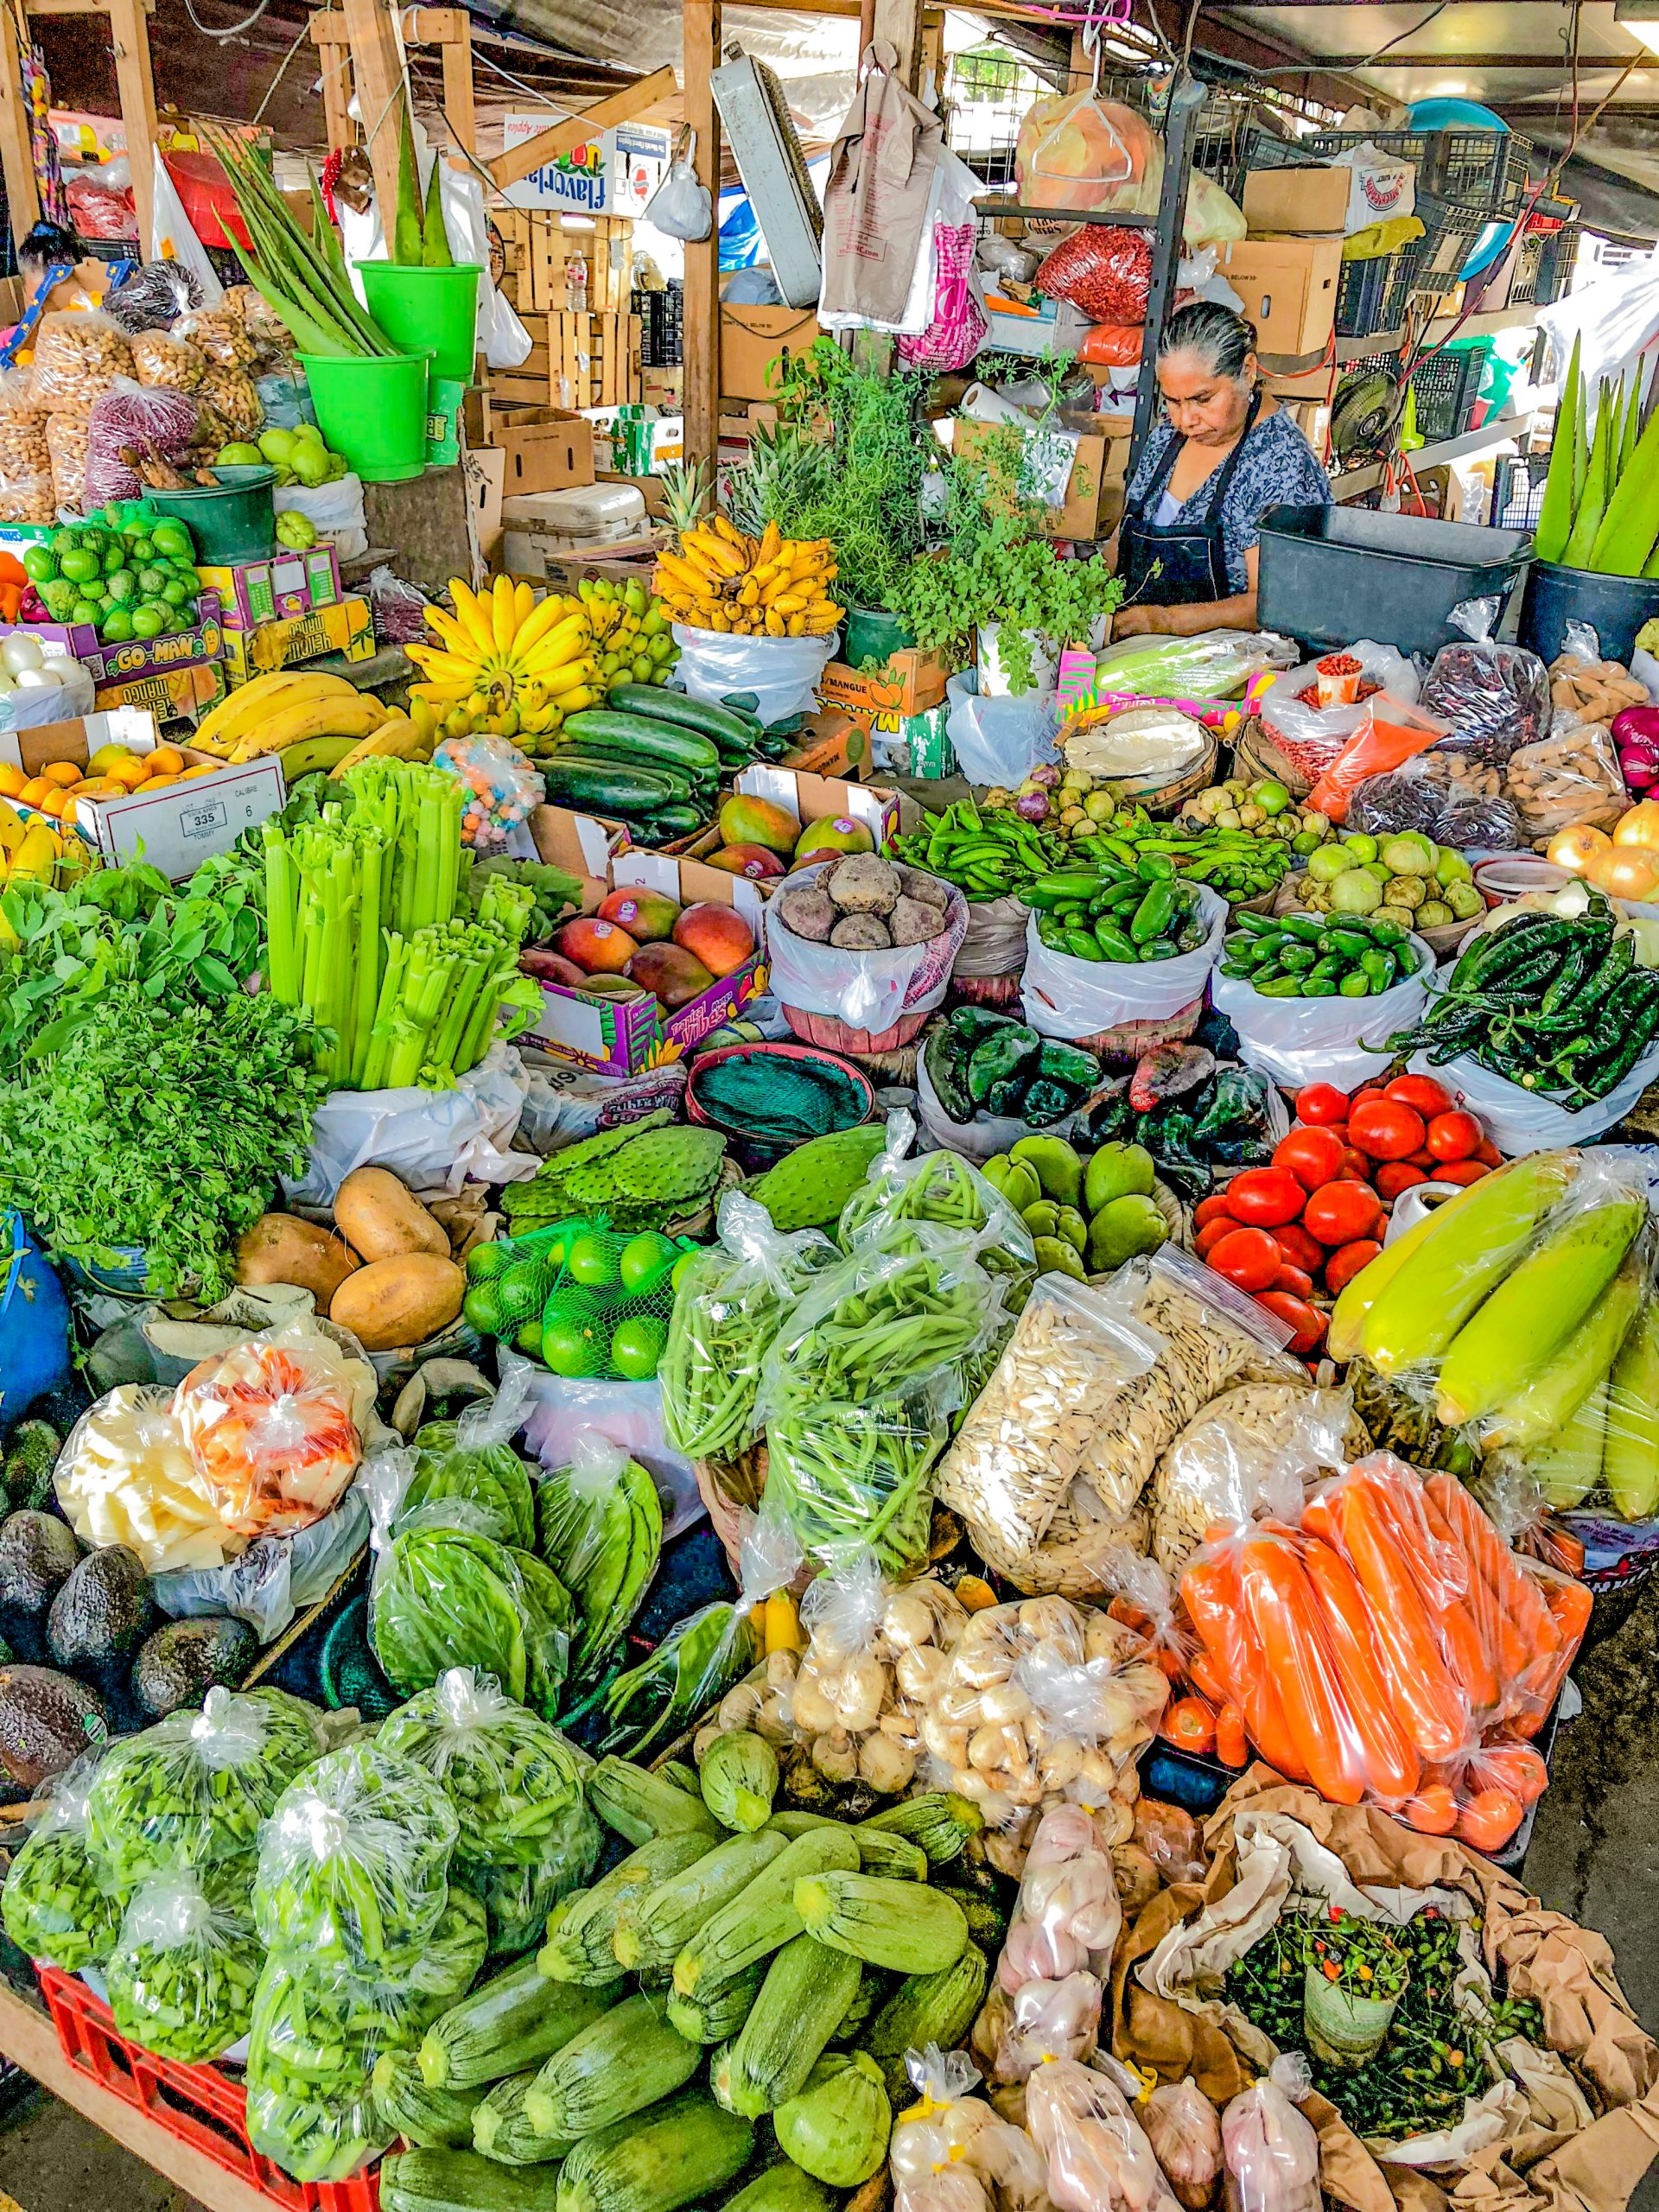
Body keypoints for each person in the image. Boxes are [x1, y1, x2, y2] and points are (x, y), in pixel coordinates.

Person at [1108, 300, 1330, 637]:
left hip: (1228, 670)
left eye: (1203, 399)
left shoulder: (1280, 463)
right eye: (1172, 401)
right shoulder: (1167, 438)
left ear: (1248, 370)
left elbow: (1272, 603)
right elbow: (1121, 542)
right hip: (1135, 649)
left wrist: (1163, 622)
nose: (1185, 419)